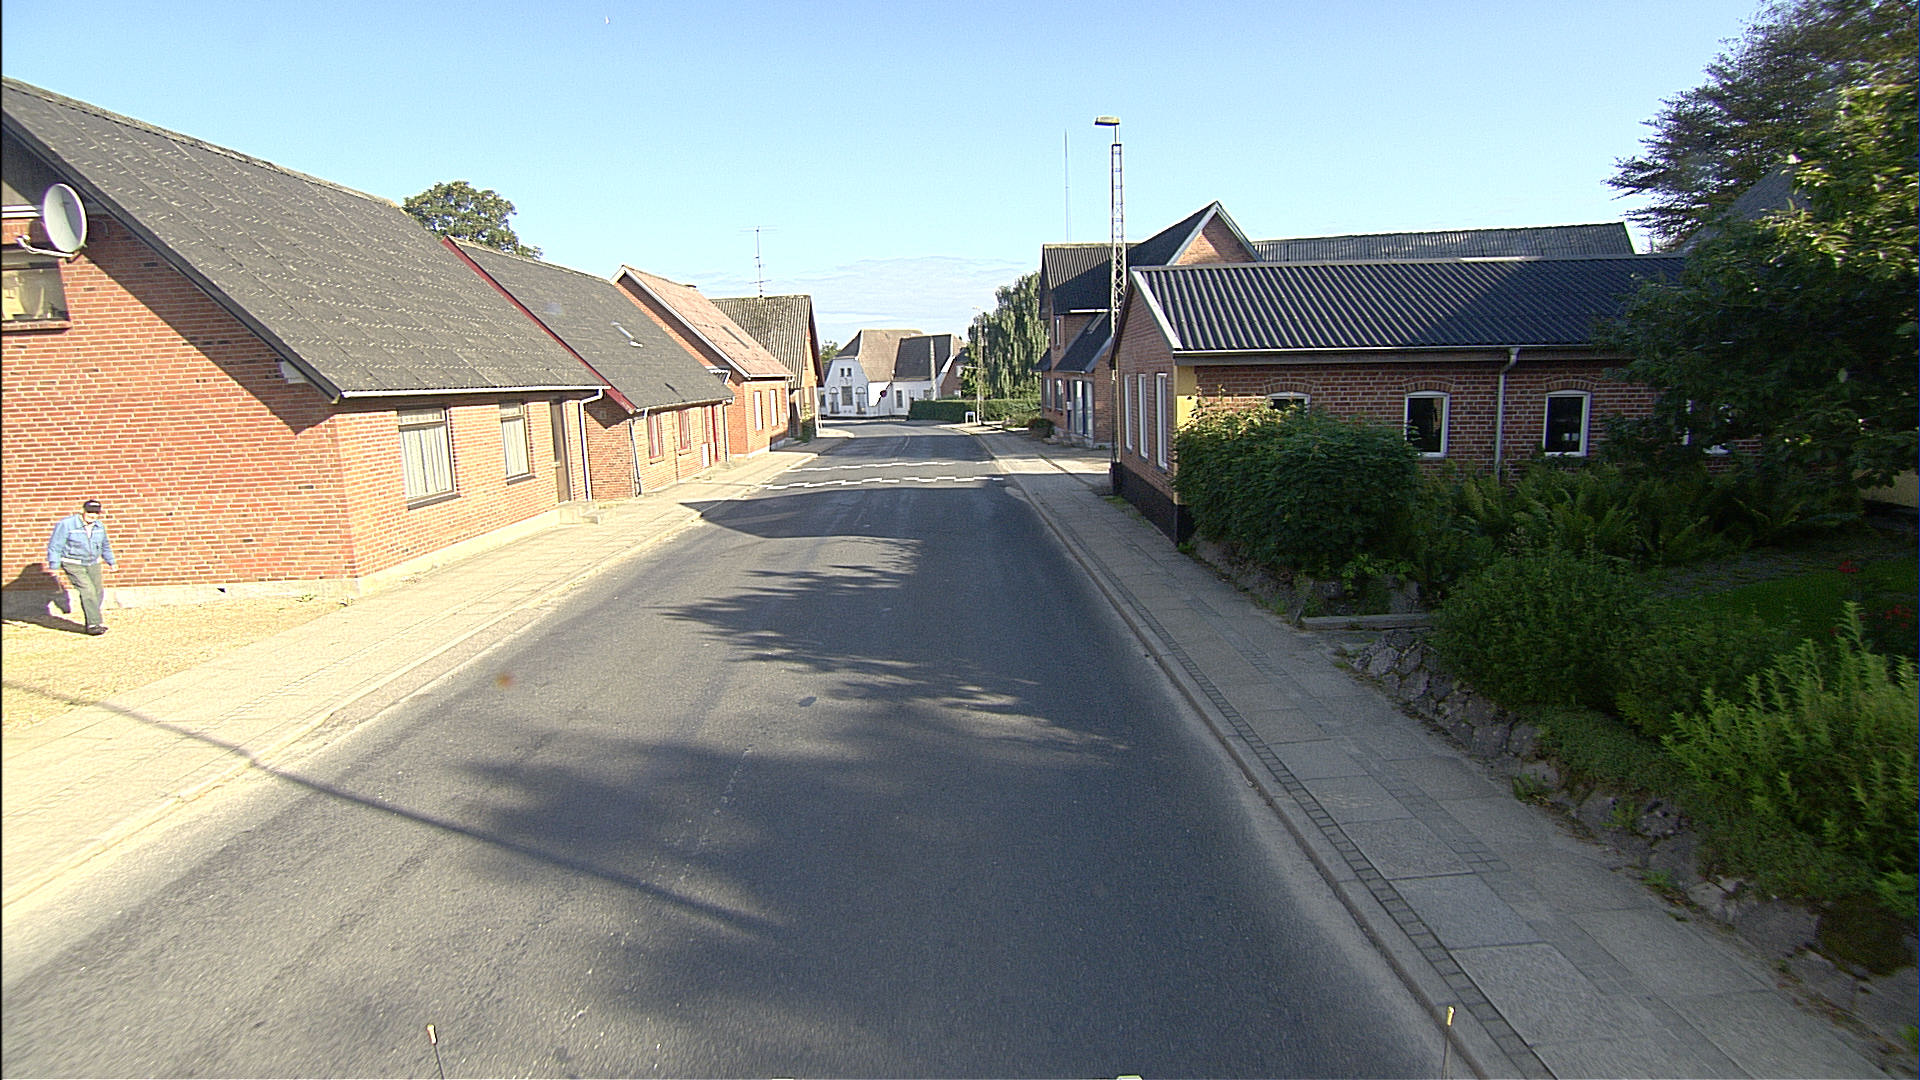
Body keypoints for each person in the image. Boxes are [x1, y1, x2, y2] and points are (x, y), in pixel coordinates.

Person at [46, 499, 116, 635]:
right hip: (72, 563)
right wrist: (54, 565)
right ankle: (93, 624)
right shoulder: (66, 524)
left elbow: (105, 545)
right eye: (89, 512)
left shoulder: (99, 526)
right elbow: (55, 545)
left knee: (97, 592)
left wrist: (111, 561)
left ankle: (93, 618)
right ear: (82, 511)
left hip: (93, 562)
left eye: (96, 513)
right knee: (87, 591)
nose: (92, 515)